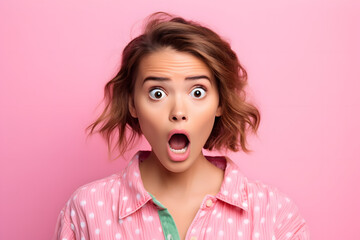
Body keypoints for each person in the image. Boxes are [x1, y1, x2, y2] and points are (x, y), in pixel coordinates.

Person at [54, 12, 310, 240]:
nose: (178, 112)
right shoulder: (87, 210)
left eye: (197, 92)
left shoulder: (275, 216)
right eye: (157, 93)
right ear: (133, 105)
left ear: (220, 103)